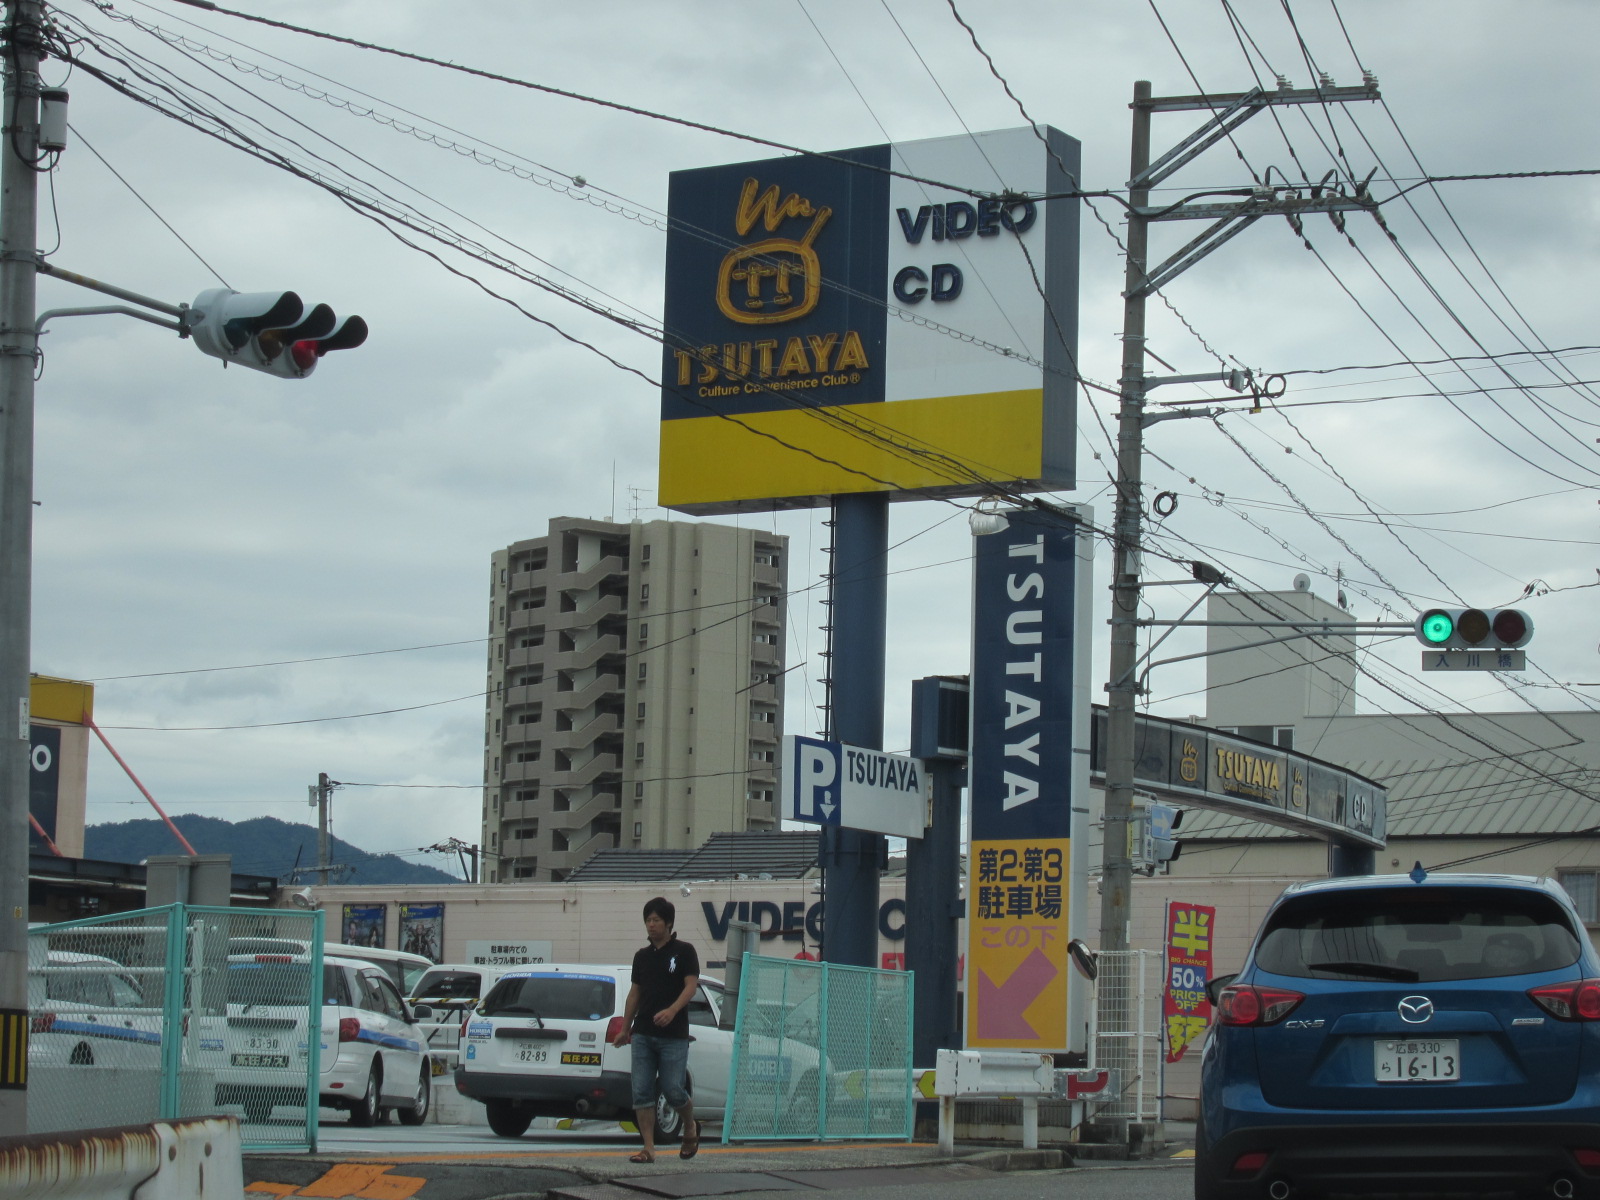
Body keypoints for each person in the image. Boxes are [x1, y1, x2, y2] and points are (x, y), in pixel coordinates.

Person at [611, 896, 701, 1163]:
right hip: (643, 1034)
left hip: (673, 1036)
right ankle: (649, 1148)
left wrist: (672, 1010)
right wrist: (625, 1028)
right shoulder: (642, 957)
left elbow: (691, 986)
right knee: (641, 1091)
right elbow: (634, 994)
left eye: (656, 920)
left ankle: (690, 1125)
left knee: (673, 1088)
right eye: (648, 920)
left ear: (668, 923)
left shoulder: (684, 951)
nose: (651, 925)